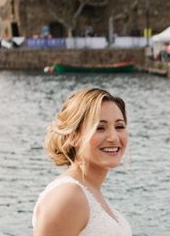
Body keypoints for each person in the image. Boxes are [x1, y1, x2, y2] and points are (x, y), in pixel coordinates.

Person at [33, 88, 132, 235]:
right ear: (73, 136)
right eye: (100, 127)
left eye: (119, 126)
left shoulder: (91, 193)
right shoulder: (68, 196)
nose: (113, 137)